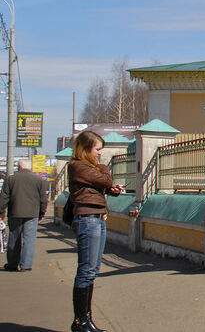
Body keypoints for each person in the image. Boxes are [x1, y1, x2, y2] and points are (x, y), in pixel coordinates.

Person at [68, 130, 124, 332]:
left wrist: (112, 189)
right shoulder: (77, 166)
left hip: (97, 218)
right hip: (87, 219)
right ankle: (80, 322)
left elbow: (102, 185)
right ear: (85, 149)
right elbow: (104, 180)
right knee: (86, 270)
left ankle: (86, 320)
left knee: (91, 270)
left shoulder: (87, 168)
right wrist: (105, 173)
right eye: (97, 149)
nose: (100, 154)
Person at [0, 158, 49, 272]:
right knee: (29, 239)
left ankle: (12, 264)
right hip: (32, 214)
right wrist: (42, 213)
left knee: (14, 238)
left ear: (20, 167)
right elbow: (43, 199)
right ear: (30, 168)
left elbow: (4, 198)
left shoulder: (10, 179)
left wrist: (1, 213)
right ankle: (26, 265)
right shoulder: (39, 180)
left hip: (15, 213)